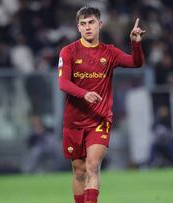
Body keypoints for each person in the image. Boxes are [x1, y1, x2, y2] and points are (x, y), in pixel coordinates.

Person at [58, 6, 145, 203]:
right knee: (79, 171)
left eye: (91, 22)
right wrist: (84, 94)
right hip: (74, 121)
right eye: (83, 24)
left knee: (92, 165)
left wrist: (136, 43)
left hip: (99, 119)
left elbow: (135, 63)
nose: (87, 27)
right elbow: (63, 83)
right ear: (78, 27)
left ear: (100, 24)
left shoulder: (110, 52)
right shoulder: (68, 51)